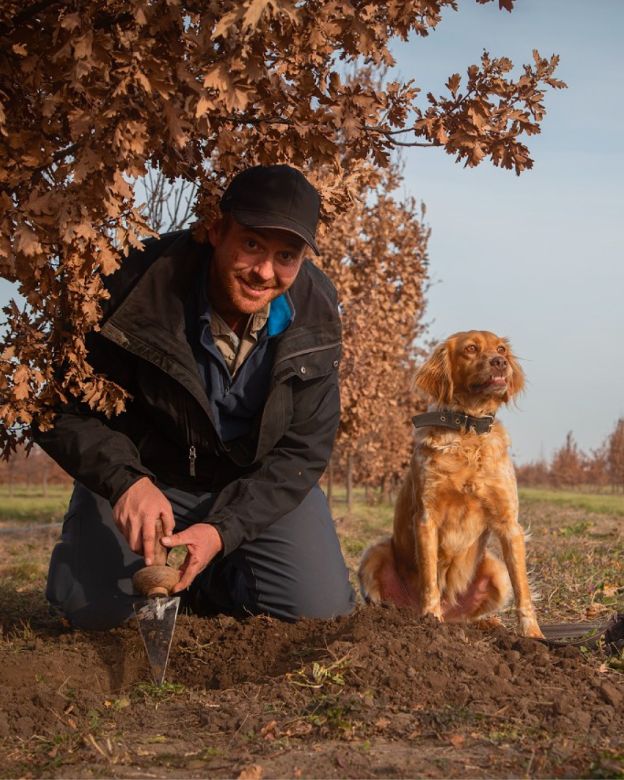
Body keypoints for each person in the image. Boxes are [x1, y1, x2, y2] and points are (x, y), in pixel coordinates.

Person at [36, 164, 355, 630]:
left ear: (303, 258)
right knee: (94, 615)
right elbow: (56, 406)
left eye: (286, 255)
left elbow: (302, 452)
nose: (265, 272)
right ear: (215, 229)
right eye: (251, 244)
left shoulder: (318, 315)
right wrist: (124, 481)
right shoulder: (133, 284)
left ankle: (217, 574)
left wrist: (222, 531)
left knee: (318, 615)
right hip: (147, 476)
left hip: (250, 486)